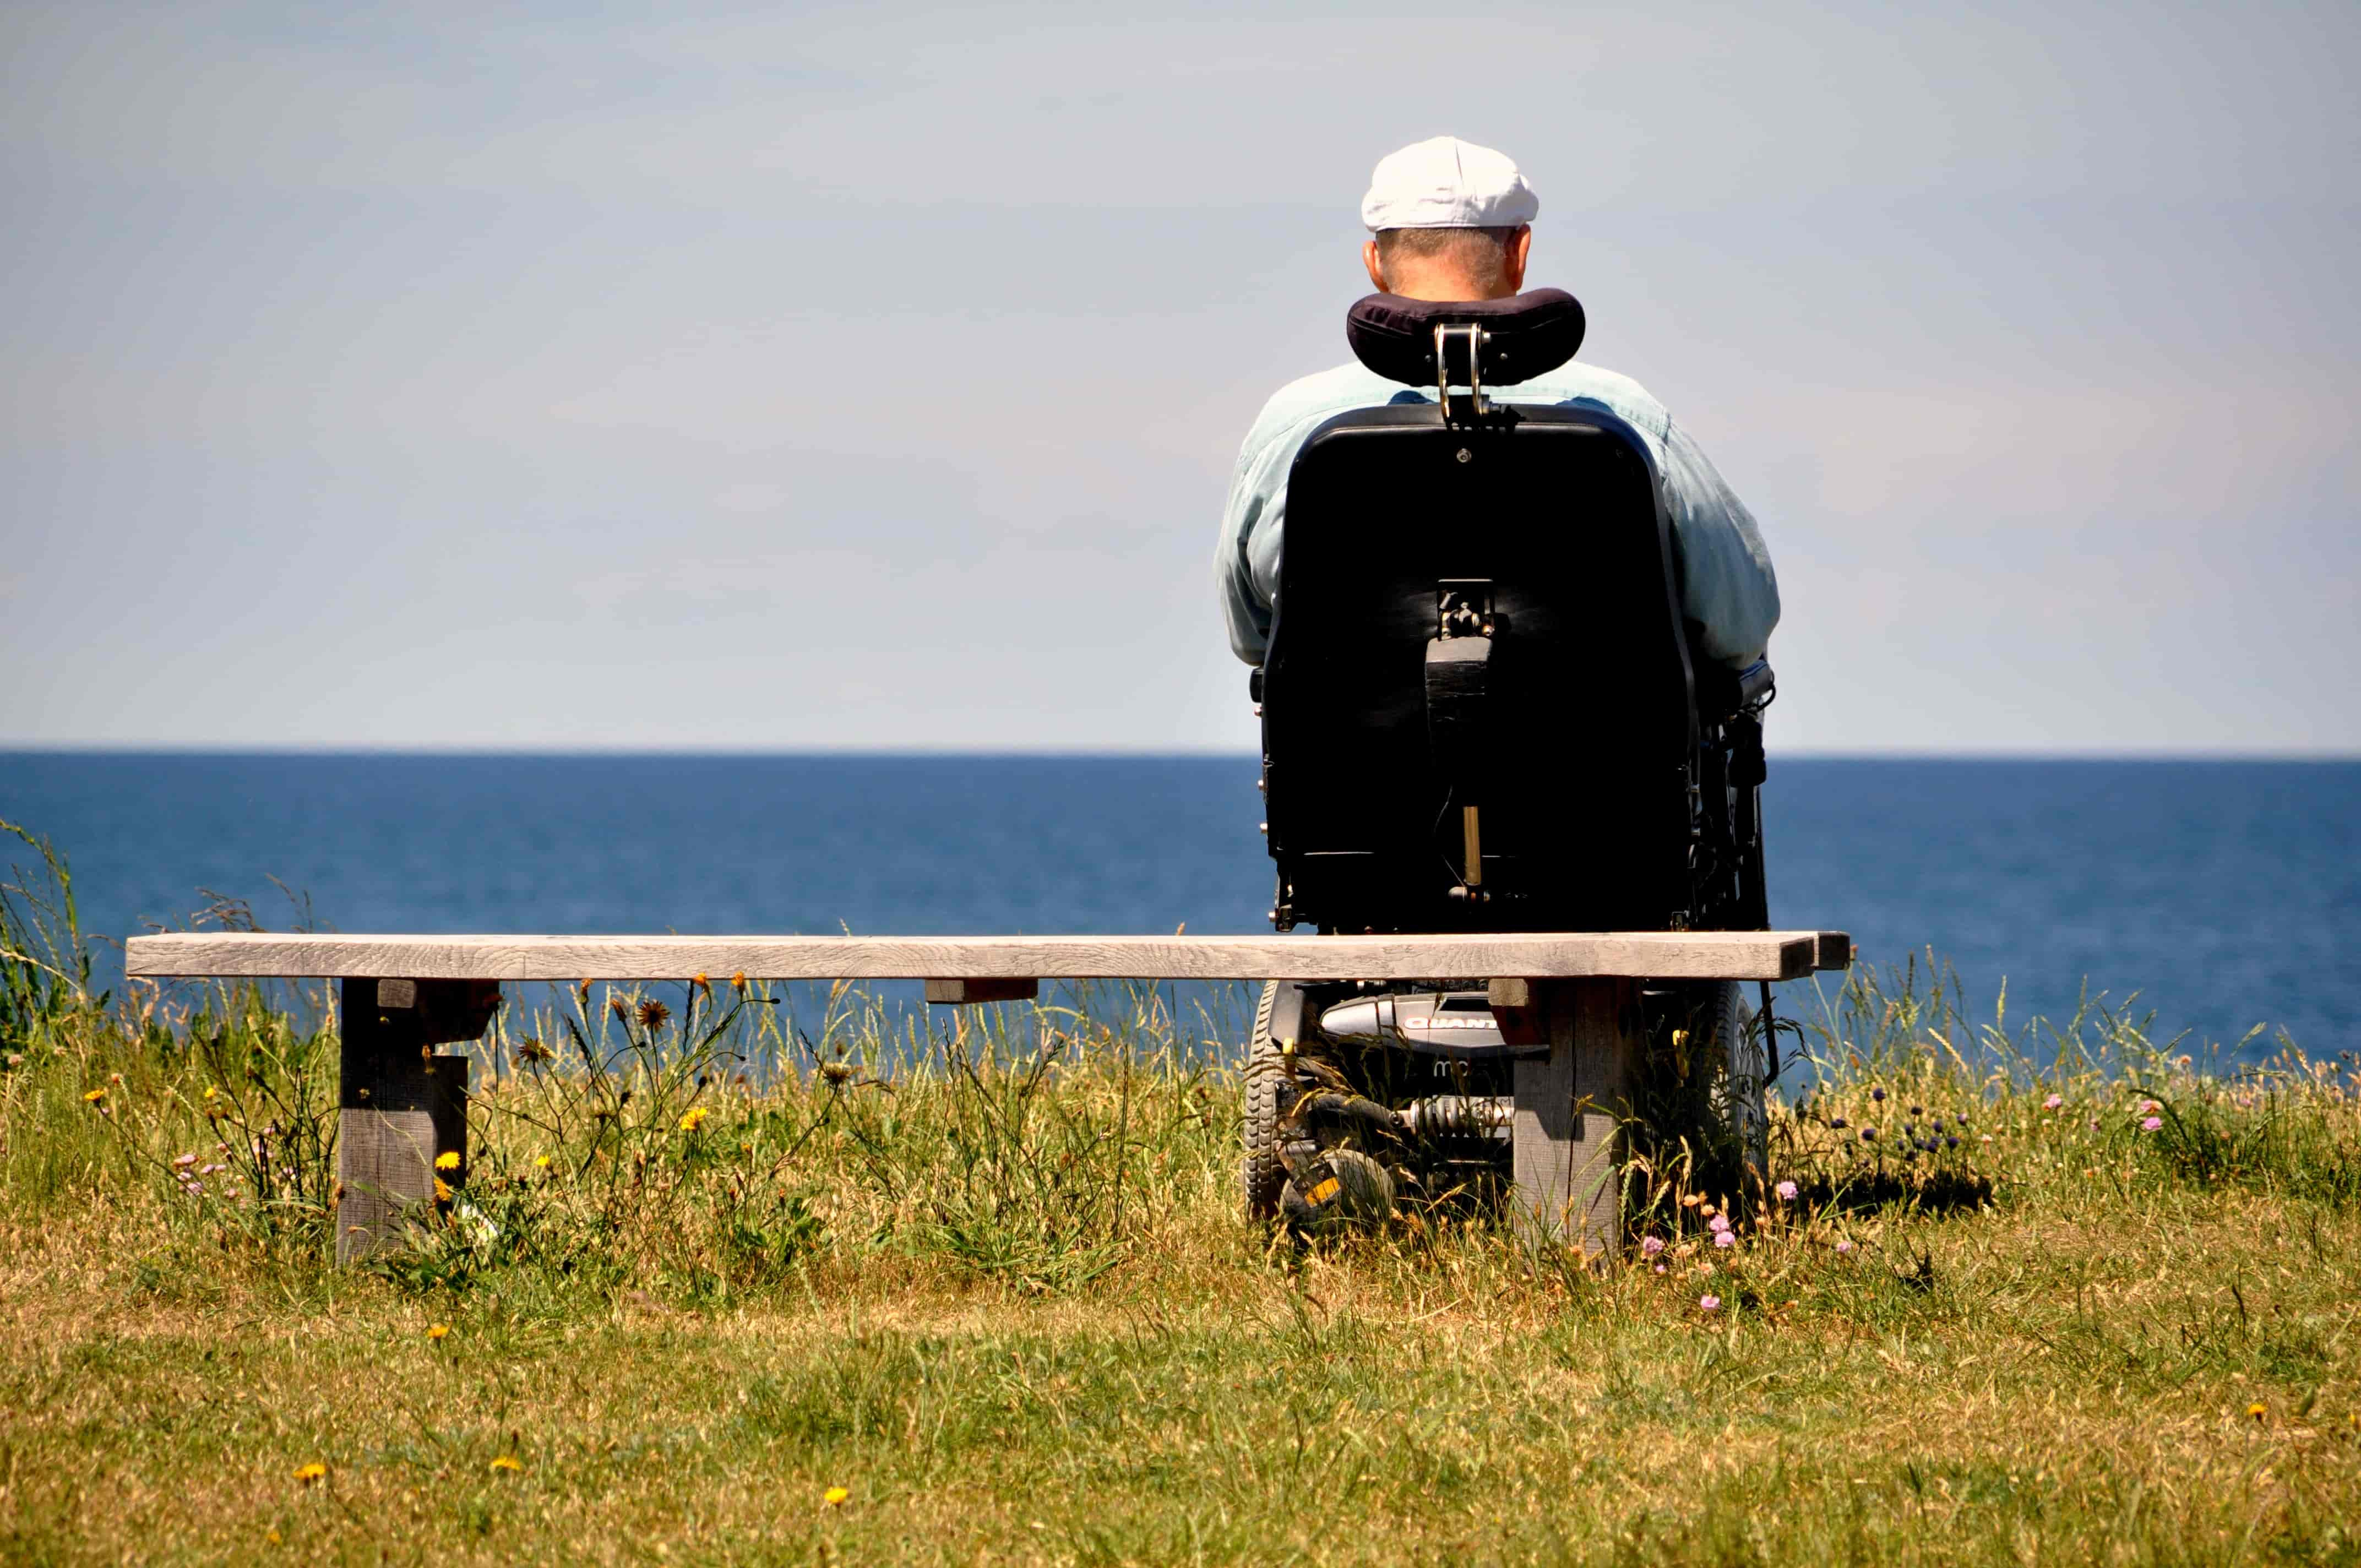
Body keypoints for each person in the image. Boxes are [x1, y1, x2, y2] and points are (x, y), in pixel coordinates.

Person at [1216, 135, 1780, 673]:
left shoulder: (1293, 424)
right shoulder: (1623, 417)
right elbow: (1739, 625)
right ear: (1521, 250)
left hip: (1354, 771)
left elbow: (1253, 636)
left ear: (1374, 261)